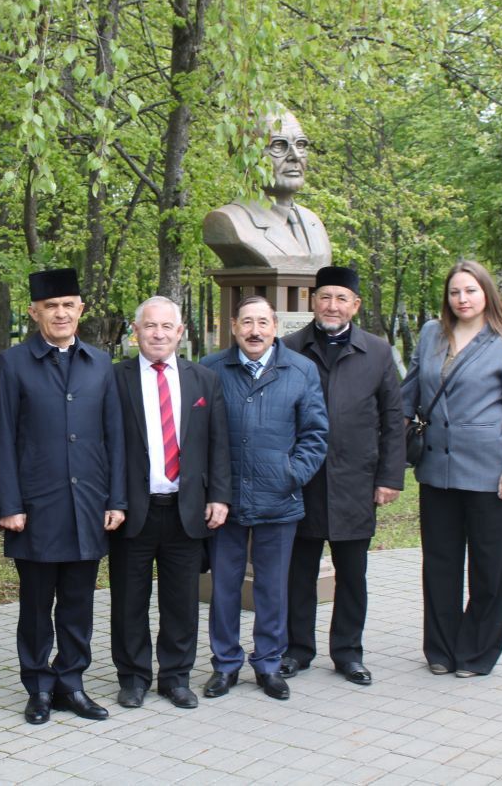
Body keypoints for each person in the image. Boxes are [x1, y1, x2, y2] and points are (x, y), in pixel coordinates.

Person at [0, 267, 126, 725]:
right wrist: (9, 505)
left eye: (68, 305)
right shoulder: (11, 365)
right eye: (51, 306)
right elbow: (1, 439)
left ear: (80, 310)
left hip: (87, 506)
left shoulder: (101, 364)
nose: (61, 313)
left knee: (78, 604)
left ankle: (72, 683)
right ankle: (38, 687)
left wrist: (116, 500)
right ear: (34, 312)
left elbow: (114, 438)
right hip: (36, 509)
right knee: (35, 606)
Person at [402, 260, 502, 678]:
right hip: (436, 468)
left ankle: (477, 652)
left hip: (489, 470)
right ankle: (440, 649)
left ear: (486, 294)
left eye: (470, 291)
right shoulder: (430, 334)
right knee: (439, 563)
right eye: (455, 292)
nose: (462, 299)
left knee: (490, 567)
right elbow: (409, 393)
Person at [280, 267, 405, 687]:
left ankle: (348, 652)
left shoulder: (377, 352)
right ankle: (297, 649)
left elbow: (393, 419)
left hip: (356, 481)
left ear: (355, 304)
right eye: (325, 297)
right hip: (303, 481)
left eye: (341, 298)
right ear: (313, 301)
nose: (332, 305)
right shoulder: (291, 349)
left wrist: (389, 478)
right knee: (299, 572)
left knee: (352, 573)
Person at [201, 295, 327, 701]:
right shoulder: (211, 369)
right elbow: (197, 433)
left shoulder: (301, 370)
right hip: (226, 501)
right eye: (246, 322)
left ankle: (269, 663)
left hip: (280, 498)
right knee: (225, 587)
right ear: (234, 327)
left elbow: (315, 433)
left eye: (263, 322)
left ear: (275, 327)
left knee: (273, 586)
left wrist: (292, 474)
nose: (255, 331)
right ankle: (225, 664)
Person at [110, 297, 230, 710]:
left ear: (181, 332)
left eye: (167, 326)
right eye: (150, 326)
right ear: (136, 331)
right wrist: (114, 500)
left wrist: (219, 495)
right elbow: (106, 447)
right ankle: (133, 677)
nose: (158, 333)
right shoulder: (116, 379)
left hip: (187, 509)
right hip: (133, 512)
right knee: (129, 600)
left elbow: (218, 444)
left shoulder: (204, 381)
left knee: (181, 600)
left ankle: (176, 677)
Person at [202, 109, 333, 271]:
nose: (296, 156)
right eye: (278, 145)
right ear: (244, 157)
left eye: (300, 144)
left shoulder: (313, 222)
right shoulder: (228, 221)